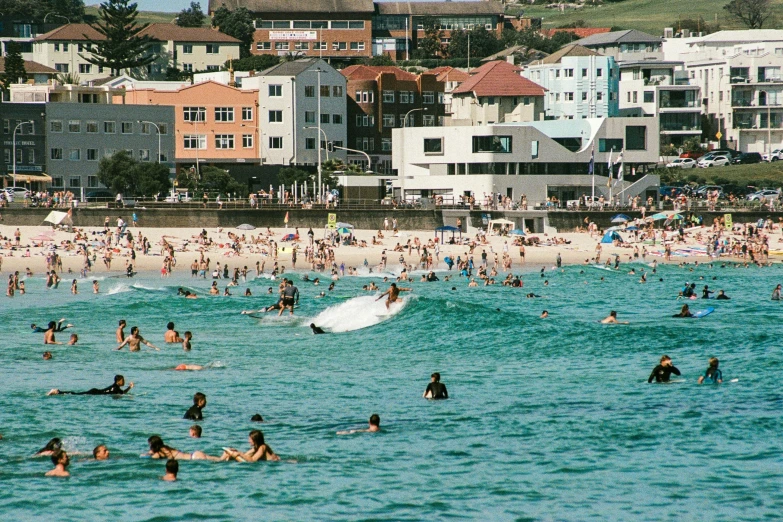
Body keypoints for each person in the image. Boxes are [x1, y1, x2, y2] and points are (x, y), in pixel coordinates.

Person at [47, 374, 134, 396]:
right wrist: (129, 387)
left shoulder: (115, 387)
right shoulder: (116, 388)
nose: (124, 382)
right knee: (76, 394)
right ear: (118, 381)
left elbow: (121, 392)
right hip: (95, 393)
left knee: (77, 394)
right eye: (123, 380)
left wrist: (129, 388)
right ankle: (57, 392)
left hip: (95, 391)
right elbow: (122, 393)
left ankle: (58, 392)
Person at [146, 435, 217, 461]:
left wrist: (147, 454)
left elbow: (151, 458)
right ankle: (226, 454)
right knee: (219, 459)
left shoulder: (159, 453)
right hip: (195, 454)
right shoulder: (167, 448)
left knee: (220, 460)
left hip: (194, 458)